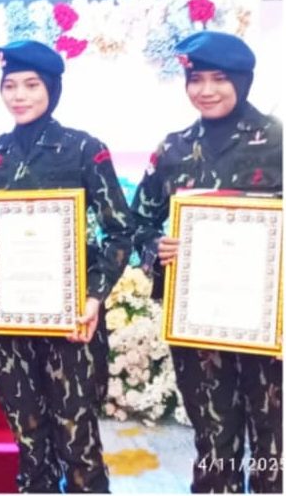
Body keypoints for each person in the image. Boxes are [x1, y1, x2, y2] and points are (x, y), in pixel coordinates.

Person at [0, 40, 134, 493]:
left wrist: (95, 298)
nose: (19, 95)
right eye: (10, 85)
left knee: (78, 441)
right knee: (29, 439)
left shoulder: (83, 149)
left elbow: (120, 231)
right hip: (10, 324)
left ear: (51, 89)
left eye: (31, 85)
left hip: (72, 321)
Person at [130, 31, 282, 493]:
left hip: (269, 325)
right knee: (213, 439)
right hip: (199, 324)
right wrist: (157, 247)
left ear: (242, 80)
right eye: (196, 79)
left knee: (275, 442)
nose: (206, 90)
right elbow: (140, 220)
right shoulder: (174, 148)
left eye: (219, 79)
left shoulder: (277, 139)